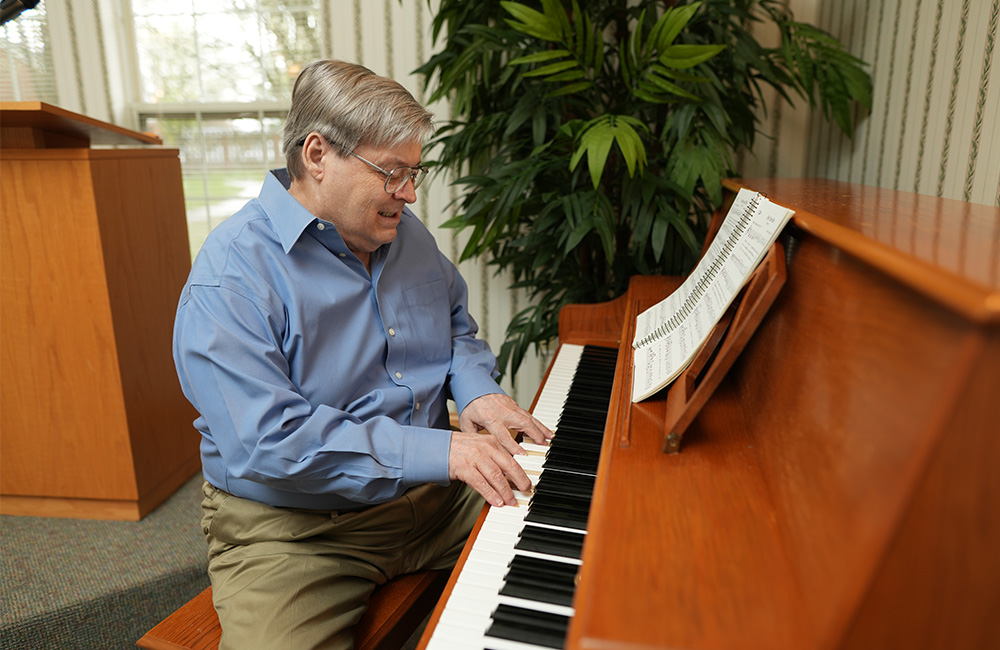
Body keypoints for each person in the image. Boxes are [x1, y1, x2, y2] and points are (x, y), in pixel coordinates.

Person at [172, 59, 552, 650]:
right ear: (317, 155)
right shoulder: (230, 277)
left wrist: (480, 390)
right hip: (298, 531)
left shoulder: (406, 234)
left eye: (414, 172)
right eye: (393, 172)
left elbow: (455, 328)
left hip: (434, 496)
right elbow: (269, 443)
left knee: (586, 535)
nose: (410, 192)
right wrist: (444, 448)